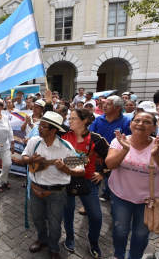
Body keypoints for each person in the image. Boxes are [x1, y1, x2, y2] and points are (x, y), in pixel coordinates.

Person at [105, 112, 159, 259]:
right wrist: (125, 149)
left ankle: (135, 257)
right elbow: (110, 164)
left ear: (153, 128)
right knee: (120, 230)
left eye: (146, 122)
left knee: (141, 234)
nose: (140, 124)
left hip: (149, 200)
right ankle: (119, 255)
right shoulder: (119, 141)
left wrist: (156, 155)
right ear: (131, 124)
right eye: (137, 120)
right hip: (121, 196)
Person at [22, 111, 85, 259]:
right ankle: (42, 239)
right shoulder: (34, 141)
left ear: (53, 130)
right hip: (36, 190)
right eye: (40, 125)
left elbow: (81, 170)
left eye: (43, 126)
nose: (39, 128)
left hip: (56, 194)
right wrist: (30, 159)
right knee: (37, 219)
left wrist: (67, 170)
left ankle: (54, 247)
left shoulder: (66, 147)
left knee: (55, 224)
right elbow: (24, 157)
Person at [62, 109, 110, 258]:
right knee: (68, 211)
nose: (69, 121)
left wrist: (103, 173)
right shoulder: (63, 134)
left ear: (84, 121)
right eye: (69, 118)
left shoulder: (96, 139)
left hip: (88, 181)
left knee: (96, 216)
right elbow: (51, 120)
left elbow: (112, 158)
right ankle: (69, 237)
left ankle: (93, 241)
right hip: (66, 180)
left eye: (73, 118)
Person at [89, 96, 132, 202]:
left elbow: (127, 141)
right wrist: (98, 155)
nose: (104, 105)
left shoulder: (126, 121)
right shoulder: (98, 119)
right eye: (104, 103)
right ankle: (90, 202)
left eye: (108, 104)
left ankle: (111, 197)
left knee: (113, 180)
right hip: (97, 157)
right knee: (94, 179)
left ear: (117, 108)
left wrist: (111, 157)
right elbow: (90, 138)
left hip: (116, 157)